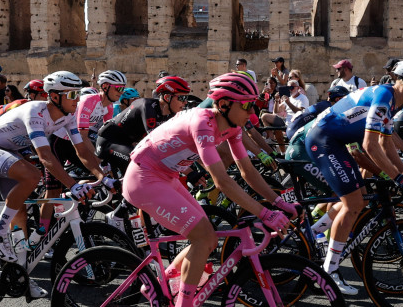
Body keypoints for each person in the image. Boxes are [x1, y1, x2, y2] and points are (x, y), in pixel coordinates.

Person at [122, 73, 295, 307]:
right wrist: (265, 214)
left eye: (254, 105)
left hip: (166, 176)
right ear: (223, 104)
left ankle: (159, 284)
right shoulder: (203, 123)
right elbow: (222, 181)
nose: (252, 113)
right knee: (203, 237)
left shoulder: (232, 128)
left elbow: (247, 172)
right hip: (143, 177)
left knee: (209, 239)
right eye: (246, 105)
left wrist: (279, 203)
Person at [304, 59, 403, 294]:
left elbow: (385, 143)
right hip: (324, 140)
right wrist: (397, 177)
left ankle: (312, 234)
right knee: (353, 203)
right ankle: (328, 273)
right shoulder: (386, 96)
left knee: (359, 200)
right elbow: (370, 145)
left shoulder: (393, 101)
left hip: (335, 141)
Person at [0, 71, 105, 275]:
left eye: (77, 94)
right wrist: (73, 185)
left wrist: (103, 176)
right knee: (33, 175)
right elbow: (46, 157)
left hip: (10, 152)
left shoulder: (67, 117)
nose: (76, 100)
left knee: (20, 213)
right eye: (71, 95)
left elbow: (83, 150)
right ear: (55, 96)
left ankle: (20, 270)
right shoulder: (35, 112)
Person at [97, 75, 192, 175]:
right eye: (182, 98)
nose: (185, 102)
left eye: (187, 98)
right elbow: (157, 146)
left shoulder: (171, 114)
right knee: (143, 163)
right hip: (108, 141)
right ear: (167, 97)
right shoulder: (147, 107)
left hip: (127, 144)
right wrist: (189, 172)